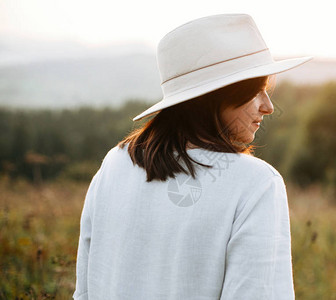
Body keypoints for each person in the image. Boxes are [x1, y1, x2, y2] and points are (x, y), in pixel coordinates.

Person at [73, 13, 312, 300]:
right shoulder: (257, 184)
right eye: (256, 91)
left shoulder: (114, 165)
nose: (268, 107)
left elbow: (84, 292)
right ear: (218, 95)